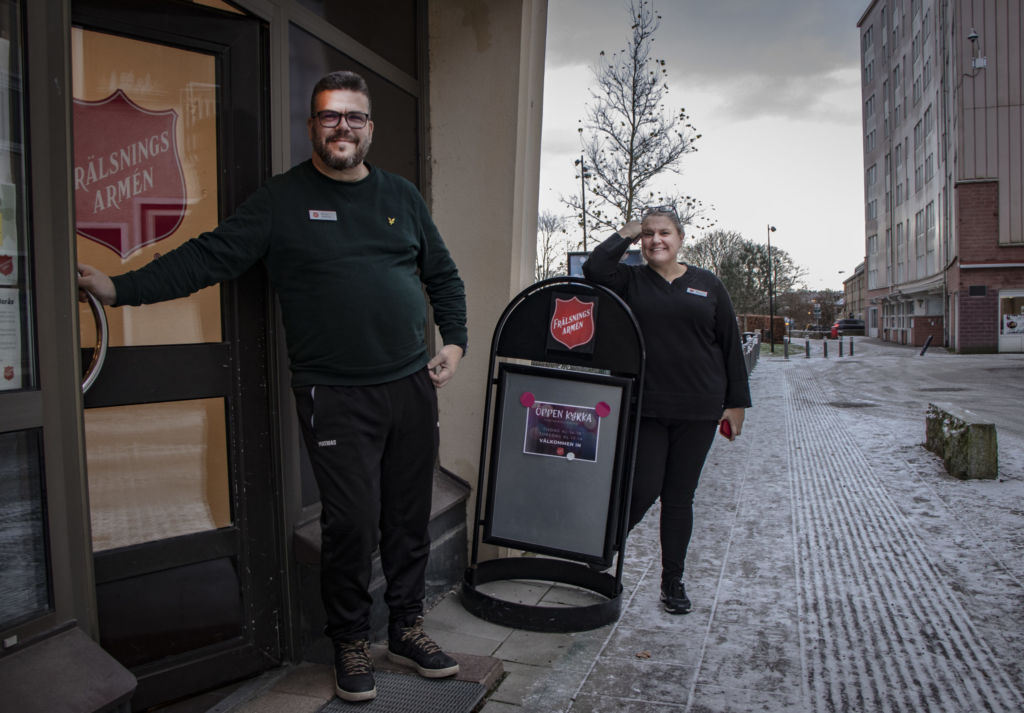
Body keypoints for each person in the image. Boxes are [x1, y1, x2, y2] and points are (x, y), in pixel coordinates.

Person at [78, 70, 467, 703]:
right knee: (351, 522)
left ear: (370, 128)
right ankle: (348, 638)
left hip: (410, 386)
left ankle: (406, 628)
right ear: (313, 126)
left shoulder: (401, 196)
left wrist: (452, 344)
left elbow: (443, 276)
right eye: (330, 116)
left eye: (355, 117)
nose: (343, 126)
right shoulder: (281, 201)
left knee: (406, 517)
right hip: (335, 395)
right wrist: (121, 288)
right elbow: (207, 256)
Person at [582, 205, 750, 615]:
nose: (656, 240)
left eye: (665, 233)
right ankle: (605, 548)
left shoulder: (707, 285)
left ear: (680, 239)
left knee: (679, 497)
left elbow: (729, 344)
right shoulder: (630, 280)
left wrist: (736, 404)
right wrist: (625, 232)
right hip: (649, 407)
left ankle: (672, 581)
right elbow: (594, 270)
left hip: (700, 409)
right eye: (649, 234)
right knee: (643, 487)